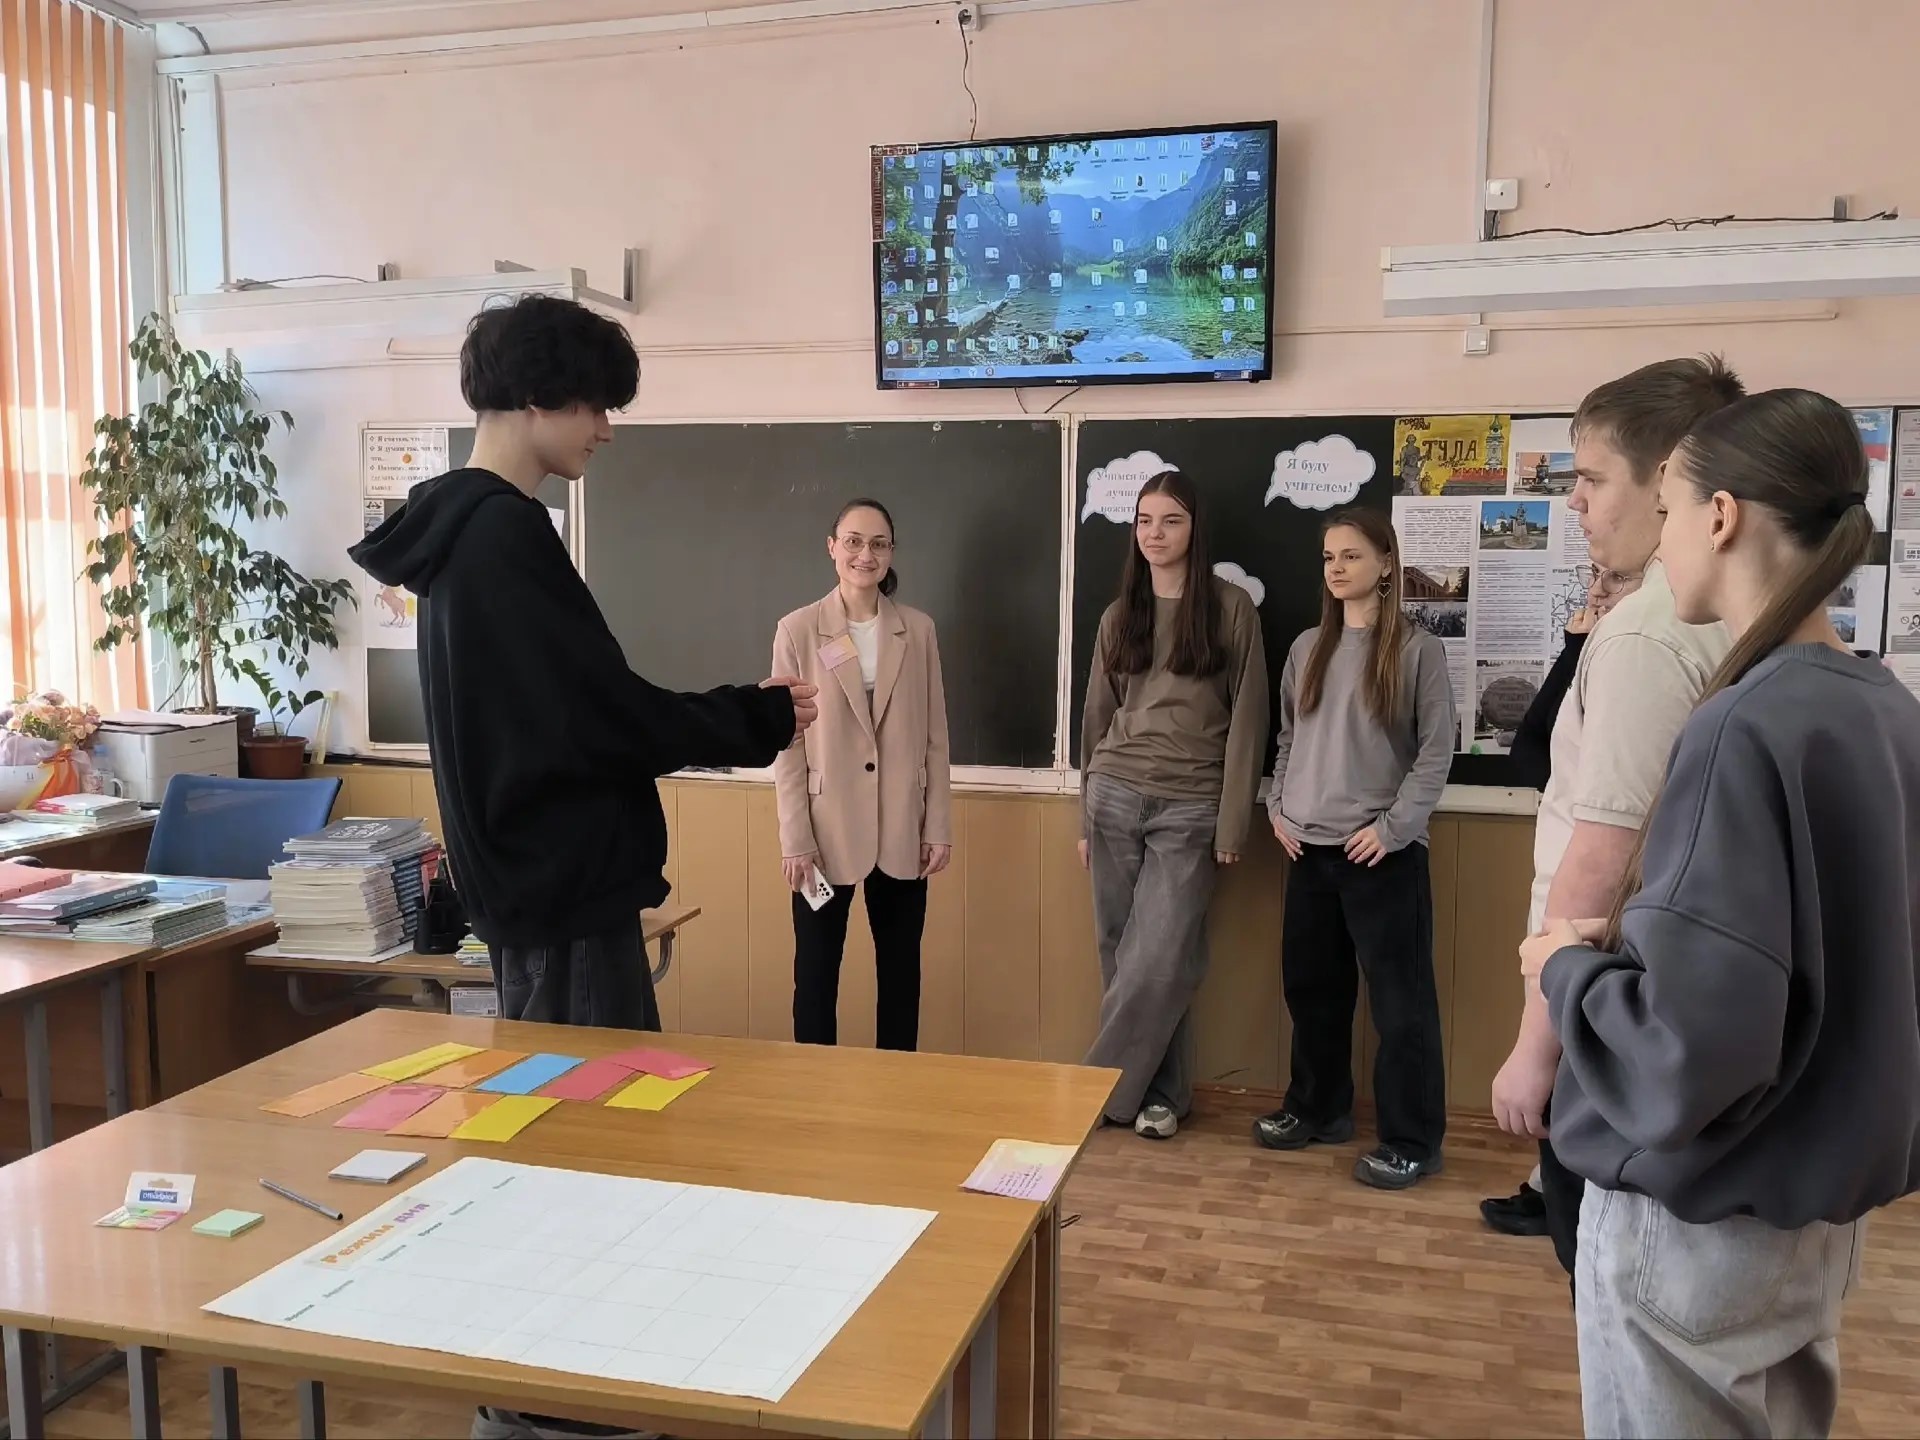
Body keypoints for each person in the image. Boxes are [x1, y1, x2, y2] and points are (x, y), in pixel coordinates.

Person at [1524, 388, 1920, 1439]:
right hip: (1815, 1213)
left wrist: (1564, 967)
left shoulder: (1742, 722)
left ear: (1722, 516)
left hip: (1700, 1217)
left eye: (1670, 511)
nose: (1660, 542)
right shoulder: (1885, 707)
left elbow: (1689, 1050)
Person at [349, 296, 818, 1029]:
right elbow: (603, 718)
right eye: (595, 406)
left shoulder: (456, 533)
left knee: (568, 1093)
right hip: (560, 895)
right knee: (594, 1098)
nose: (605, 430)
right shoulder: (502, 532)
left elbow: (567, 710)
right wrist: (756, 716)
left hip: (531, 893)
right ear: (538, 397)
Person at [1488, 355, 1744, 1276]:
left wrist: (1535, 1047)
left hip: (1609, 1004)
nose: (1576, 502)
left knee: (1611, 1285)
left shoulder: (1647, 630)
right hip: (1681, 1006)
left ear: (1669, 478)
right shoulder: (1743, 611)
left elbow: (1601, 855)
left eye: (1593, 479)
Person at [1255, 508, 1455, 1190]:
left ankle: (1411, 1140)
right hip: (1306, 851)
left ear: (1387, 563)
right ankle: (1318, 1109)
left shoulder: (1418, 651)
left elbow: (1435, 754)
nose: (1337, 568)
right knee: (1312, 993)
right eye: (1329, 558)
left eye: (1352, 556)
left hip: (1382, 855)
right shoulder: (1307, 648)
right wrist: (1279, 809)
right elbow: (1288, 739)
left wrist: (1392, 829)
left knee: (1401, 1007)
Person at [1079, 470, 1267, 1140]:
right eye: (1144, 521)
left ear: (1195, 528)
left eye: (1171, 520)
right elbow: (1096, 717)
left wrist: (1233, 822)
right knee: (1124, 954)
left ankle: (1097, 1093)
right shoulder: (1119, 613)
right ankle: (1163, 1097)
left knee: (1159, 957)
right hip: (1113, 793)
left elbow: (1250, 718)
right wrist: (1083, 816)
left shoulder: (1231, 608)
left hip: (1191, 804)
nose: (1155, 534)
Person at [1479, 563, 1638, 1237]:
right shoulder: (1601, 657)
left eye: (1614, 581)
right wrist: (1576, 645)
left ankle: (1568, 1199)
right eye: (1594, 580)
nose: (1596, 592)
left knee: (1578, 1058)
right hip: (1561, 904)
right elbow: (1530, 754)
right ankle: (1555, 1187)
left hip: (1600, 918)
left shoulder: (1646, 658)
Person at [773, 498, 952, 1051]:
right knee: (815, 977)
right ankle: (813, 1087)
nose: (864, 555)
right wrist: (795, 838)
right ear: (832, 548)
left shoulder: (917, 630)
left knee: (901, 977)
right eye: (853, 541)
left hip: (902, 829)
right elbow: (787, 743)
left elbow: (936, 737)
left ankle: (896, 1088)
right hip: (824, 834)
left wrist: (937, 826)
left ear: (891, 552)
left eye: (878, 544)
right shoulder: (799, 630)